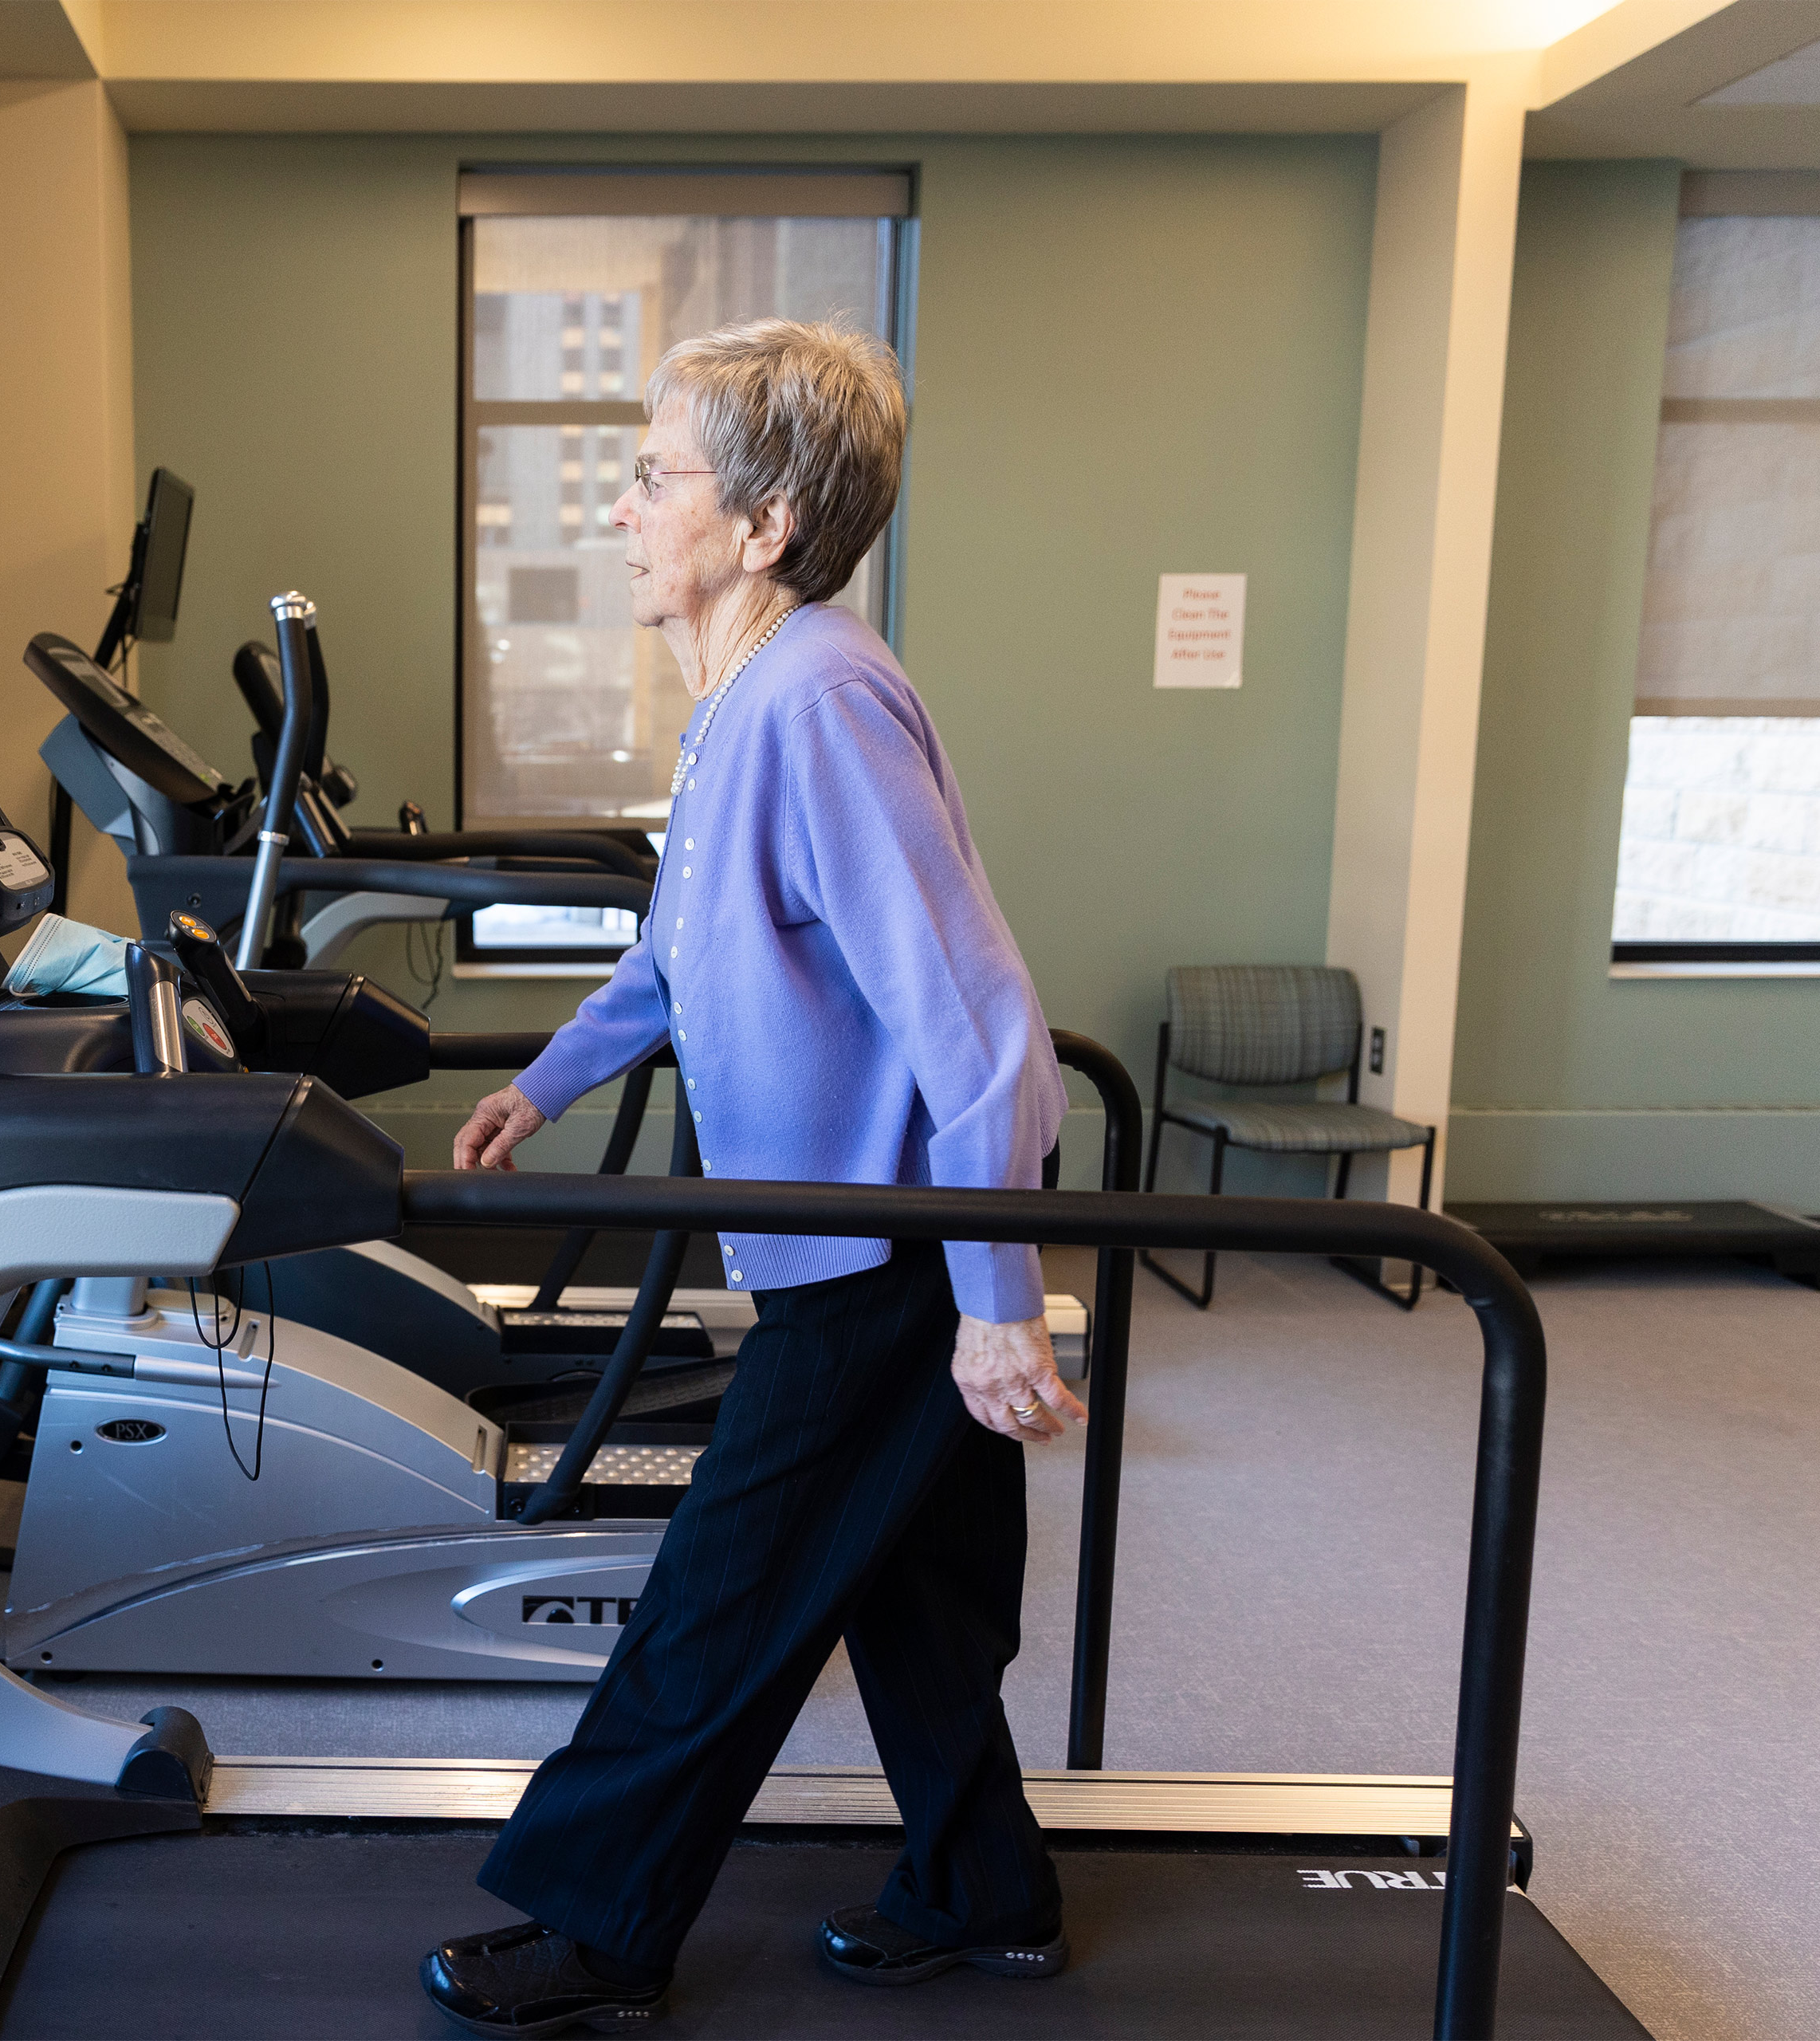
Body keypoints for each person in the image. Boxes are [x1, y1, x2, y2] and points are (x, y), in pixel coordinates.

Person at [421, 317, 1085, 2037]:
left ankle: (598, 1924)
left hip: (887, 1250)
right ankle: (984, 1887)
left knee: (721, 1599)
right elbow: (677, 955)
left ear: (769, 521)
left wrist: (995, 1308)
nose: (625, 509)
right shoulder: (744, 701)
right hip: (857, 1243)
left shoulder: (819, 701)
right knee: (921, 1593)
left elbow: (983, 1020)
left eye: (654, 475)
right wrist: (544, 1082)